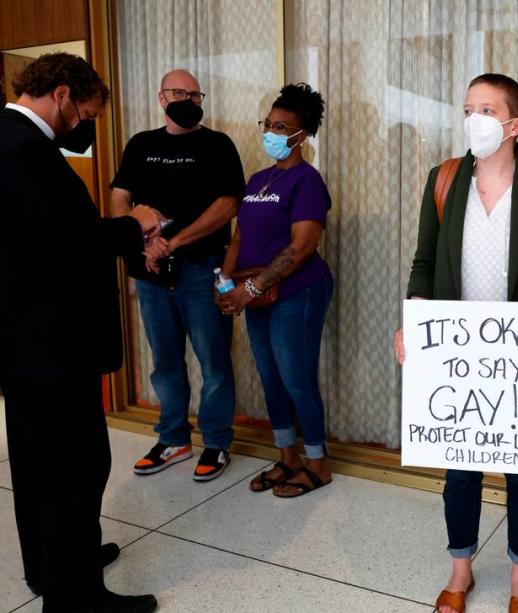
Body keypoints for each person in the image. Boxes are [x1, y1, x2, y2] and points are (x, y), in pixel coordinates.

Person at [395, 74, 518, 613]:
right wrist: (413, 323)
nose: (473, 117)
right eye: (467, 107)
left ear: (514, 124)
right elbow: (425, 265)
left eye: (486, 108)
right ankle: (461, 570)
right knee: (461, 470)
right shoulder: (444, 180)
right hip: (460, 357)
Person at [0, 52, 161, 612]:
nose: (84, 126)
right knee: (76, 467)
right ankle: (77, 599)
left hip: (24, 344)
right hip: (53, 345)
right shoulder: (21, 147)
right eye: (85, 113)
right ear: (62, 94)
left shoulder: (10, 139)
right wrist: (132, 226)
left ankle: (52, 567)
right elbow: (64, 245)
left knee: (35, 464)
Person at [110, 69, 246, 482]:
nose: (187, 98)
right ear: (161, 96)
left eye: (194, 93)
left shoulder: (217, 144)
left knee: (213, 360)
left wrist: (176, 240)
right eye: (178, 92)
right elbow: (120, 197)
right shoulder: (141, 144)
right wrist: (143, 242)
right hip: (150, 272)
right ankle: (173, 438)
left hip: (202, 268)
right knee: (164, 360)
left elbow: (228, 204)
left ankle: (217, 441)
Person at [216, 83, 335, 497]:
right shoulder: (257, 179)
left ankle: (318, 463)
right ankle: (287, 457)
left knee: (296, 379)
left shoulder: (307, 182)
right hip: (255, 291)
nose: (271, 132)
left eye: (282, 127)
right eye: (268, 124)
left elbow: (301, 248)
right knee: (269, 377)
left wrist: (251, 287)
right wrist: (226, 284)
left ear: (302, 136)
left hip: (298, 291)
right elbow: (238, 237)